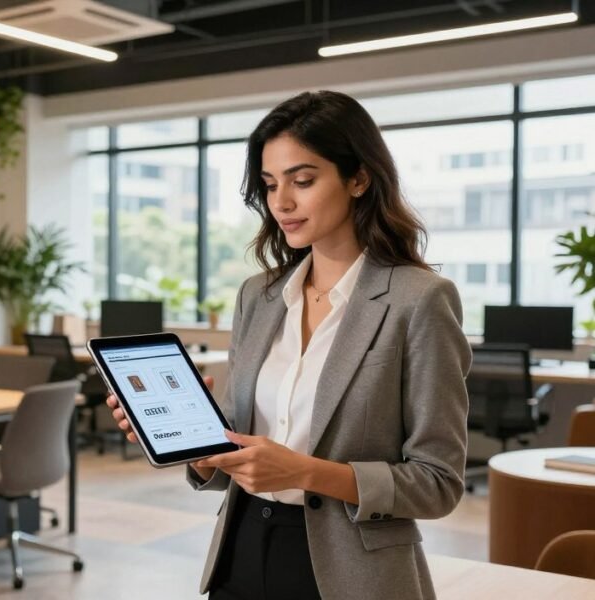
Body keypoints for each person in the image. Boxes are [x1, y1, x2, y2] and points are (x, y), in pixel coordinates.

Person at [107, 90, 471, 600]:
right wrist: (201, 449)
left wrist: (306, 472)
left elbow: (438, 483)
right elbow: (240, 449)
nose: (281, 202)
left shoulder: (420, 300)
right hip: (242, 548)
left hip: (351, 571)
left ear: (359, 178)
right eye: (270, 184)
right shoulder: (259, 295)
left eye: (303, 180)